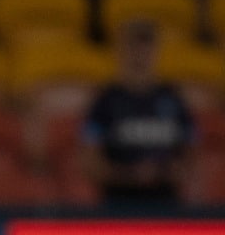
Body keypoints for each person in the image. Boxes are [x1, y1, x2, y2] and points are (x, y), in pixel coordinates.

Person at [81, 18, 196, 205]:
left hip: (167, 204)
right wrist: (129, 175)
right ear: (121, 52)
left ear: (155, 52)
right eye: (133, 48)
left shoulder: (173, 99)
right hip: (118, 204)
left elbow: (192, 153)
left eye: (145, 48)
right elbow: (89, 160)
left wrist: (164, 172)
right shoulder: (105, 102)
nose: (139, 56)